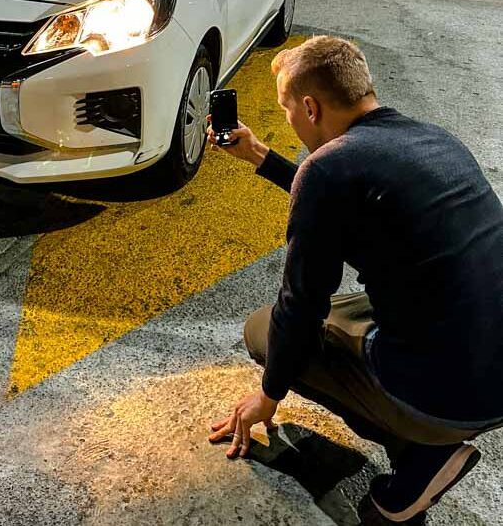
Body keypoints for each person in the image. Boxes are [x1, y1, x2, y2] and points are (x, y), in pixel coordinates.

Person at [205, 35, 503, 523]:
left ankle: (421, 455)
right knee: (351, 308)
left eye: (287, 109)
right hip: (492, 366)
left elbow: (300, 304)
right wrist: (262, 156)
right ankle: (427, 442)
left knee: (267, 330)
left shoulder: (329, 170)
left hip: (449, 395)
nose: (290, 120)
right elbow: (348, 192)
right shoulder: (432, 138)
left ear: (310, 106)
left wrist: (267, 394)